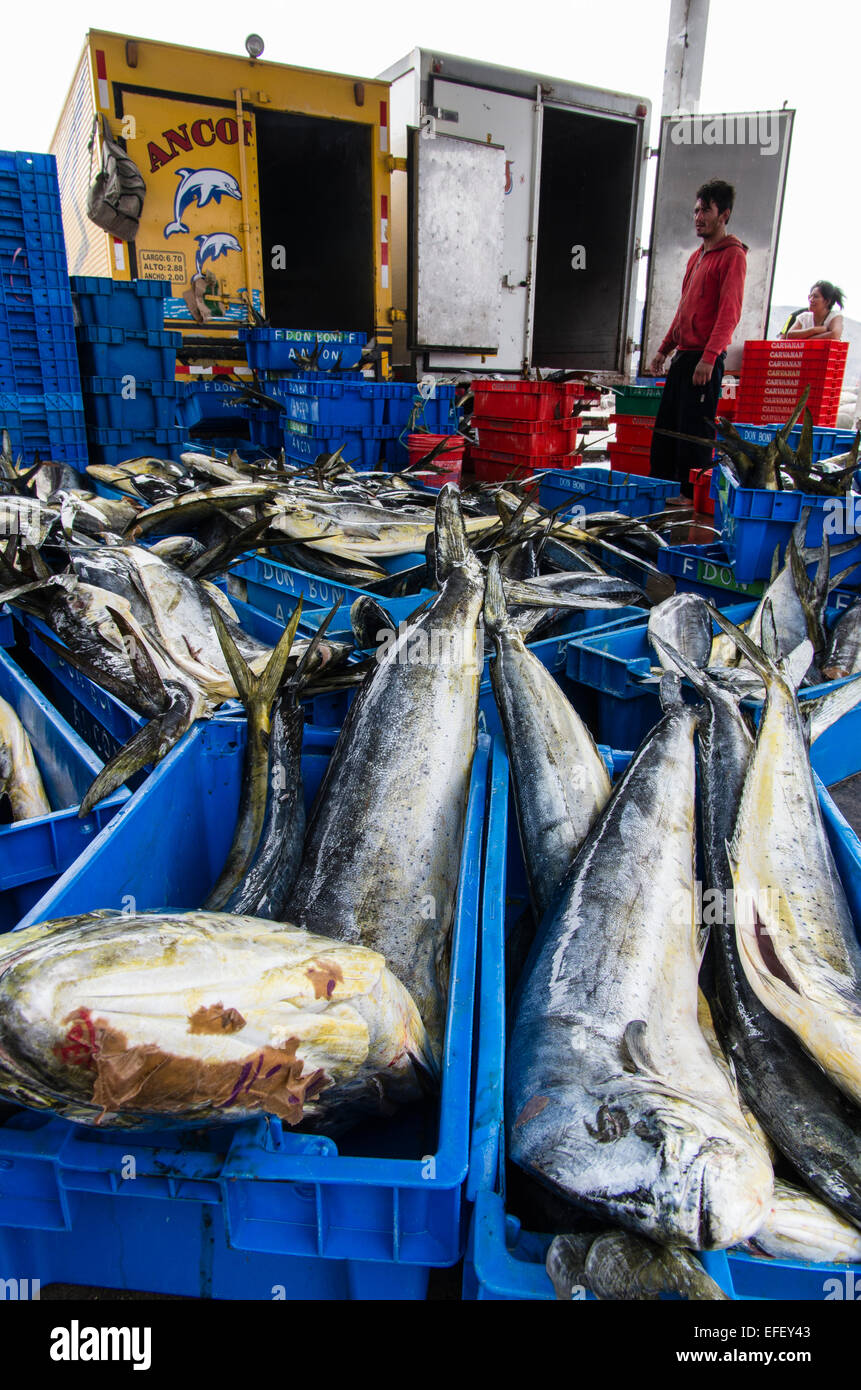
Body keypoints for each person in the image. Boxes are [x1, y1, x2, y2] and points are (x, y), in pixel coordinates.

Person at [647, 178, 748, 499]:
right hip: (683, 358)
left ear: (724, 215)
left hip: (704, 361)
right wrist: (664, 350)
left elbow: (729, 313)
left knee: (694, 439)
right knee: (666, 435)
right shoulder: (697, 257)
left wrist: (710, 356)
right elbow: (683, 310)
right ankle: (660, 496)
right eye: (695, 211)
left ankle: (691, 505)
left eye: (706, 210)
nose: (698, 217)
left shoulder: (733, 256)